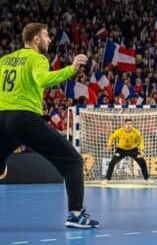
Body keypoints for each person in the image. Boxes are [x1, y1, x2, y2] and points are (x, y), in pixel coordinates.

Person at [0, 23, 100, 228]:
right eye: (46, 36)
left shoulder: (5, 60)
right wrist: (71, 69)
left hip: (2, 119)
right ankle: (75, 215)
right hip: (24, 118)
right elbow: (43, 80)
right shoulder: (37, 58)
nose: (50, 40)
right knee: (73, 161)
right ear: (36, 39)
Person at [103, 118, 151, 184]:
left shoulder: (136, 132)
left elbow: (141, 140)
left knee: (142, 162)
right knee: (112, 163)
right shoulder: (119, 131)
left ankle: (147, 179)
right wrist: (109, 145)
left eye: (130, 124)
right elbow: (112, 137)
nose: (128, 125)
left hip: (133, 150)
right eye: (127, 124)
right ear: (124, 125)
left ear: (132, 125)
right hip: (121, 150)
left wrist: (142, 150)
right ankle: (107, 179)